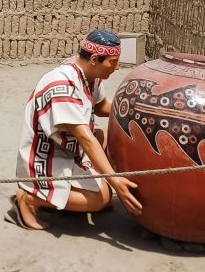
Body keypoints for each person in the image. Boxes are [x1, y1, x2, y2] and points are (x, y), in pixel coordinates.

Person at [9, 29, 143, 230]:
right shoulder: (62, 84)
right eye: (113, 61)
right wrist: (114, 180)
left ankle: (67, 195)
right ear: (95, 59)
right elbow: (85, 138)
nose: (117, 67)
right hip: (46, 158)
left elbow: (100, 107)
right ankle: (29, 198)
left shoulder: (91, 75)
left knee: (104, 136)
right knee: (101, 199)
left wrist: (134, 110)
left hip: (70, 148)